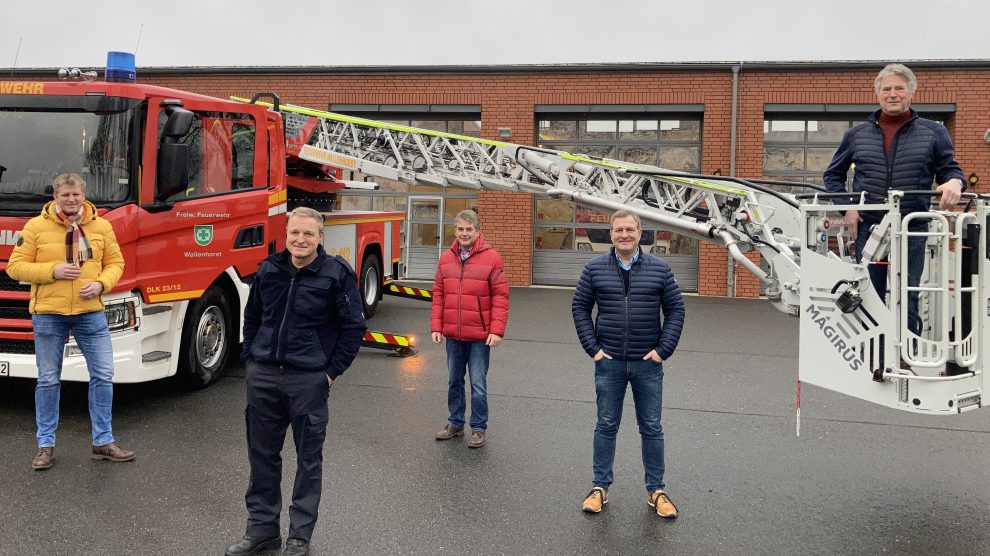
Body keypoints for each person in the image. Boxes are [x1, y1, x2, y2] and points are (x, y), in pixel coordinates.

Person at [226, 207, 366, 556]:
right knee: (262, 457)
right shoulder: (270, 269)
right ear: (286, 234)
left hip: (308, 380)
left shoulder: (336, 274)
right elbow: (252, 315)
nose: (300, 240)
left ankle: (299, 537)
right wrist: (251, 360)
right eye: (294, 234)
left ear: (320, 237)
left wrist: (330, 372)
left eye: (308, 234)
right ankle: (262, 531)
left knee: (308, 461)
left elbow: (353, 327)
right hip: (264, 377)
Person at [824, 63, 965, 337]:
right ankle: (874, 357)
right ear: (878, 95)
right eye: (886, 89)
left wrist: (954, 182)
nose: (893, 94)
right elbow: (832, 176)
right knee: (870, 294)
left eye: (899, 88)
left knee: (908, 293)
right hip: (871, 227)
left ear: (911, 93)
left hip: (912, 226)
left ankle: (906, 356)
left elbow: (950, 171)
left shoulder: (934, 132)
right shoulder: (856, 135)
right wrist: (848, 207)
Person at [7, 173, 130, 471]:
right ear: (55, 196)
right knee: (48, 380)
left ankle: (103, 441)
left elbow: (116, 263)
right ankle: (45, 446)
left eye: (76, 194)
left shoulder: (101, 226)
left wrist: (101, 284)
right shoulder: (35, 227)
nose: (71, 200)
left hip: (90, 312)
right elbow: (15, 266)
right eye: (65, 195)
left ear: (83, 195)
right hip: (49, 313)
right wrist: (53, 270)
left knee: (103, 375)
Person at [571, 209, 685, 518]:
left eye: (630, 229)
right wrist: (593, 349)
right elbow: (580, 307)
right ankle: (599, 488)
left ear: (640, 233)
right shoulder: (594, 268)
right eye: (619, 229)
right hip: (609, 363)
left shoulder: (660, 269)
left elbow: (675, 310)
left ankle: (656, 491)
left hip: (648, 364)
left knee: (651, 427)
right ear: (611, 234)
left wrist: (664, 350)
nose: (624, 234)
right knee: (606, 425)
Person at [431, 209, 509, 449]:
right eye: (460, 229)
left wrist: (496, 330)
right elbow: (438, 294)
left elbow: (501, 296)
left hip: (479, 336)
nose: (464, 234)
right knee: (454, 381)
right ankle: (455, 424)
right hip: (453, 334)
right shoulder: (446, 258)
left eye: (469, 229)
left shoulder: (492, 258)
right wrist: (437, 326)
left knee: (477, 384)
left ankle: (478, 428)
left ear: (477, 231)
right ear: (455, 231)